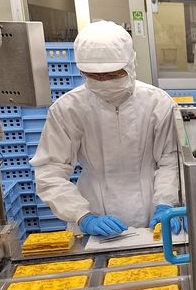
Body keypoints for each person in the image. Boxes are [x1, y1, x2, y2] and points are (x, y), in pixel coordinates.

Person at [30, 20, 182, 237]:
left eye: (112, 75)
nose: (104, 82)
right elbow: (50, 170)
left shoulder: (157, 103)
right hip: (94, 208)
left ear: (130, 65)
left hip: (152, 209)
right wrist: (83, 215)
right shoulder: (68, 108)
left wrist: (166, 203)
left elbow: (170, 160)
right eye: (95, 76)